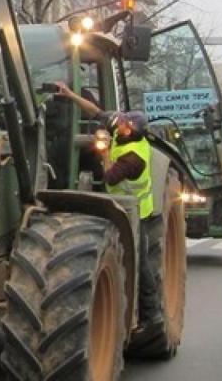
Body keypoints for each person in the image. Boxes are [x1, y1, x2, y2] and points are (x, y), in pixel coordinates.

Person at [56, 81, 161, 331]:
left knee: (141, 263)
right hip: (115, 202)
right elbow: (96, 111)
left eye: (124, 125)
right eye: (121, 121)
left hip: (136, 211)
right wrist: (70, 95)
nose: (119, 125)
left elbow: (109, 176)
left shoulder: (135, 156)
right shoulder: (120, 127)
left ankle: (151, 316)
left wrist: (102, 150)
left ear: (133, 131)